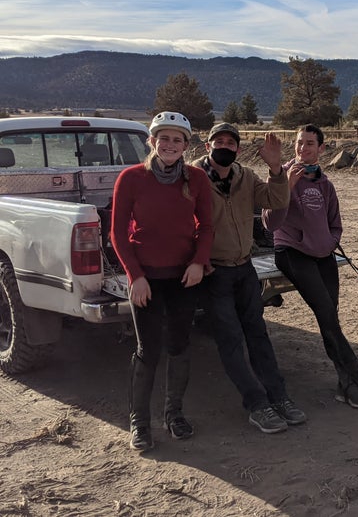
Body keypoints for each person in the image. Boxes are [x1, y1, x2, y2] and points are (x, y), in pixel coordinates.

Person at [262, 124, 358, 409]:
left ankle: (345, 385)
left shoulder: (325, 184)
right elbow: (270, 223)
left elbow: (335, 223)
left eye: (310, 144)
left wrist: (329, 242)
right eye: (299, 143)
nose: (302, 149)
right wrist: (288, 186)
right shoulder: (280, 176)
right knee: (325, 312)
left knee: (329, 317)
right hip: (292, 252)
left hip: (323, 256)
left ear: (321, 149)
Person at [194, 122, 306, 434]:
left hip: (244, 269)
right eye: (219, 142)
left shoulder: (246, 177)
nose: (225, 147)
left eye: (231, 143)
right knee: (230, 340)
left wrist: (275, 168)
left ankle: (279, 397)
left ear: (238, 149)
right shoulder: (192, 177)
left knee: (258, 335)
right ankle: (257, 404)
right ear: (207, 146)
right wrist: (195, 260)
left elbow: (275, 200)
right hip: (213, 273)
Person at [111, 111, 213, 452]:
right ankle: (139, 422)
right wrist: (135, 276)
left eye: (177, 139)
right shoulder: (131, 178)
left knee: (180, 345)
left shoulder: (196, 178)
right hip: (147, 279)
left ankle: (174, 414)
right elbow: (118, 234)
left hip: (183, 277)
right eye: (164, 138)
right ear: (152, 141)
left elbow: (207, 226)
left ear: (186, 145)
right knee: (148, 349)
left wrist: (199, 262)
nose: (170, 144)